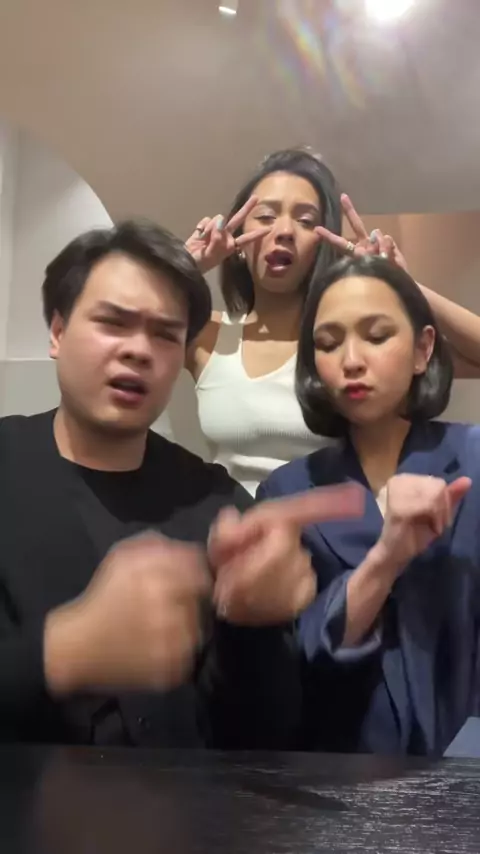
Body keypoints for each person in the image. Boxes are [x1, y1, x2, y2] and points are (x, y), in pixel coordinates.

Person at [0, 219, 363, 748]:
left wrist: (255, 626)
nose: (139, 350)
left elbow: (264, 737)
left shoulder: (217, 505)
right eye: (113, 323)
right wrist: (60, 654)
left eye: (165, 335)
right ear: (57, 332)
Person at [257, 254, 480, 757]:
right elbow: (298, 662)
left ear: (423, 349)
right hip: (342, 771)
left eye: (377, 335)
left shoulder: (474, 458)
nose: (352, 360)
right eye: (328, 343)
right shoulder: (290, 493)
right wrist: (385, 559)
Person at [186, 147, 480, 495]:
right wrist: (185, 267)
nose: (284, 230)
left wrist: (398, 283)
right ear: (238, 237)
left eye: (306, 221)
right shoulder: (208, 335)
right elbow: (128, 329)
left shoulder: (349, 345)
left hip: (338, 527)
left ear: (323, 242)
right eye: (265, 216)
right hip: (234, 526)